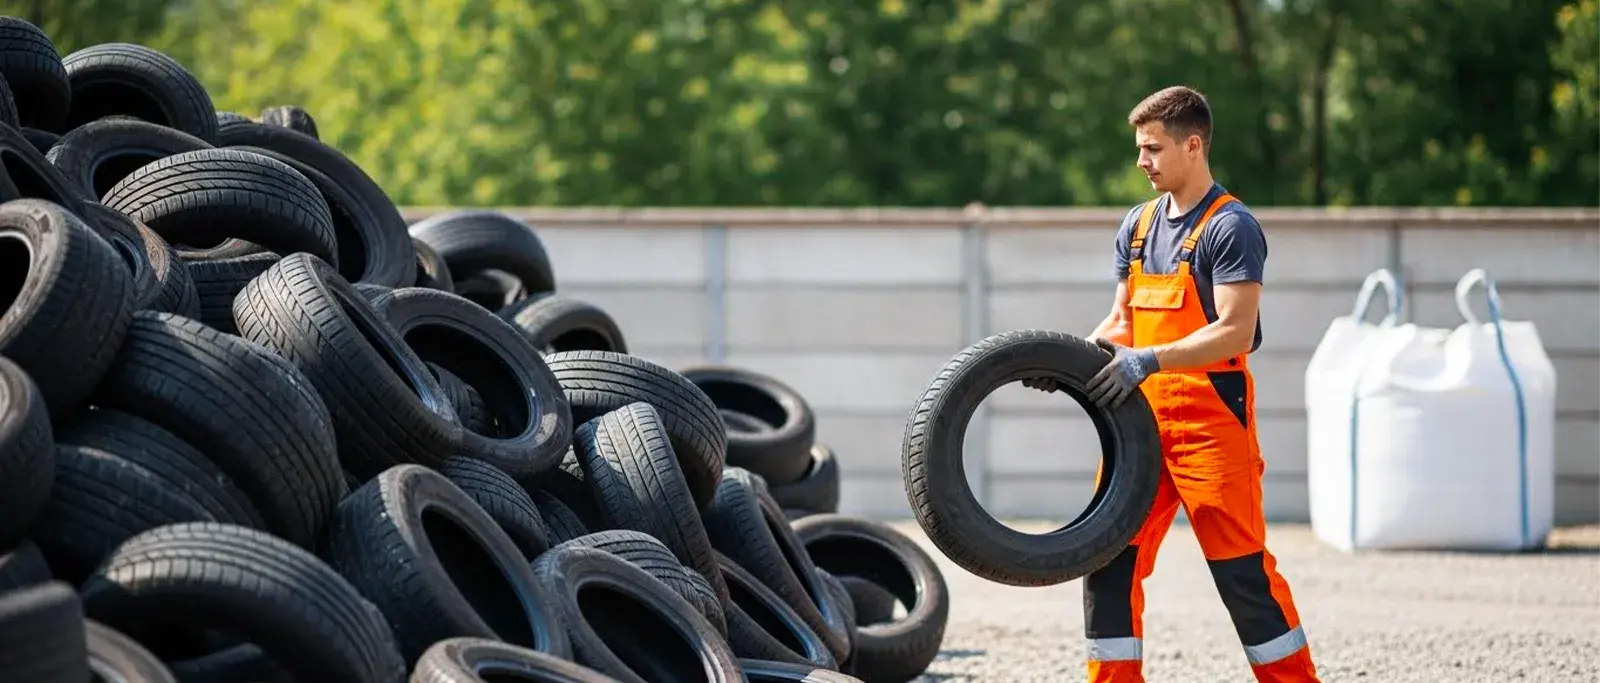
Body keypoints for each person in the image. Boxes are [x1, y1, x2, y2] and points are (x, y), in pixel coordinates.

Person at [1030, 85, 1320, 683]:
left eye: (1153, 148)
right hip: (1138, 424)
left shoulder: (1231, 227)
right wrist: (1072, 362)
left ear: (1193, 145)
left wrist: (1148, 360)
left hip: (1211, 425)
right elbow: (1122, 322)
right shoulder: (1136, 226)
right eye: (1139, 149)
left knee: (1240, 572)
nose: (1142, 161)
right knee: (1106, 561)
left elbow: (1236, 333)